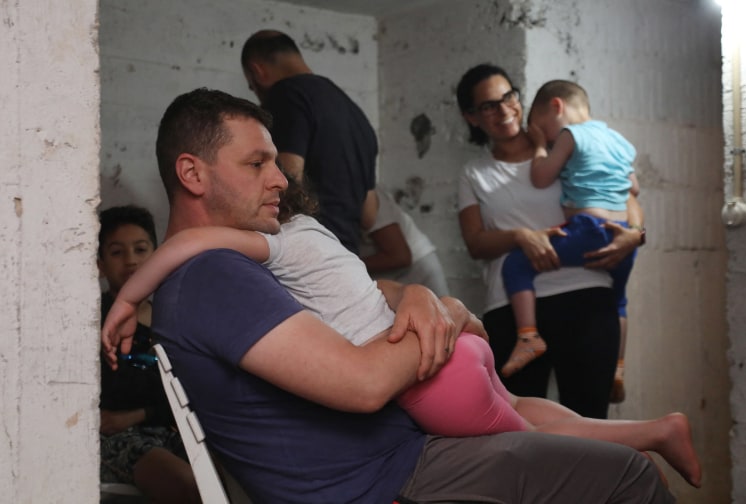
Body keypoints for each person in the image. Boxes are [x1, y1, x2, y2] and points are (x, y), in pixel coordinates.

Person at [102, 87, 676, 503]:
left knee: (582, 449)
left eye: (276, 161)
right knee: (628, 477)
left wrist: (415, 297)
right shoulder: (213, 276)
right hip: (387, 479)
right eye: (257, 163)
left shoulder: (233, 258)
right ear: (193, 174)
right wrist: (446, 311)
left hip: (403, 455)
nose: (279, 178)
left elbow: (355, 291)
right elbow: (365, 383)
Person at [456, 63, 646, 419]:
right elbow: (475, 244)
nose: (504, 110)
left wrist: (634, 236)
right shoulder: (474, 173)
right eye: (488, 106)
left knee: (591, 426)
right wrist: (520, 237)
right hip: (513, 312)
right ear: (472, 117)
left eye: (508, 97)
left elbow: (627, 199)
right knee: (523, 431)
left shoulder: (568, 143)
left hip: (587, 298)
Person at [498, 79, 641, 378]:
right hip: (623, 232)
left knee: (515, 265)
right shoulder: (619, 141)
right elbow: (634, 188)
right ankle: (618, 366)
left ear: (556, 106)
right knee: (619, 299)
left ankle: (528, 338)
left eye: (543, 128)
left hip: (589, 228)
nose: (547, 138)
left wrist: (540, 147)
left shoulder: (570, 135)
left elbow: (541, 177)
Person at [97, 205, 200, 503]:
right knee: (188, 487)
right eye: (117, 252)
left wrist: (141, 413)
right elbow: (112, 399)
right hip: (119, 439)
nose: (130, 260)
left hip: (175, 429)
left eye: (140, 249)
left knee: (234, 474)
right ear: (100, 264)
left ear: (156, 255)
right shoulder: (95, 322)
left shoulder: (172, 318)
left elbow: (196, 387)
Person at [240, 29, 377, 254]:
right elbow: (369, 215)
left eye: (251, 86)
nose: (256, 93)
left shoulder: (285, 95)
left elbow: (286, 182)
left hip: (306, 255)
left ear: (257, 71)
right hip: (347, 259)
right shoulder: (355, 114)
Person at [360, 187, 450, 297]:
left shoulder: (367, 196)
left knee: (438, 312)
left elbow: (400, 256)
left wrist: (350, 264)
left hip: (416, 270)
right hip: (396, 275)